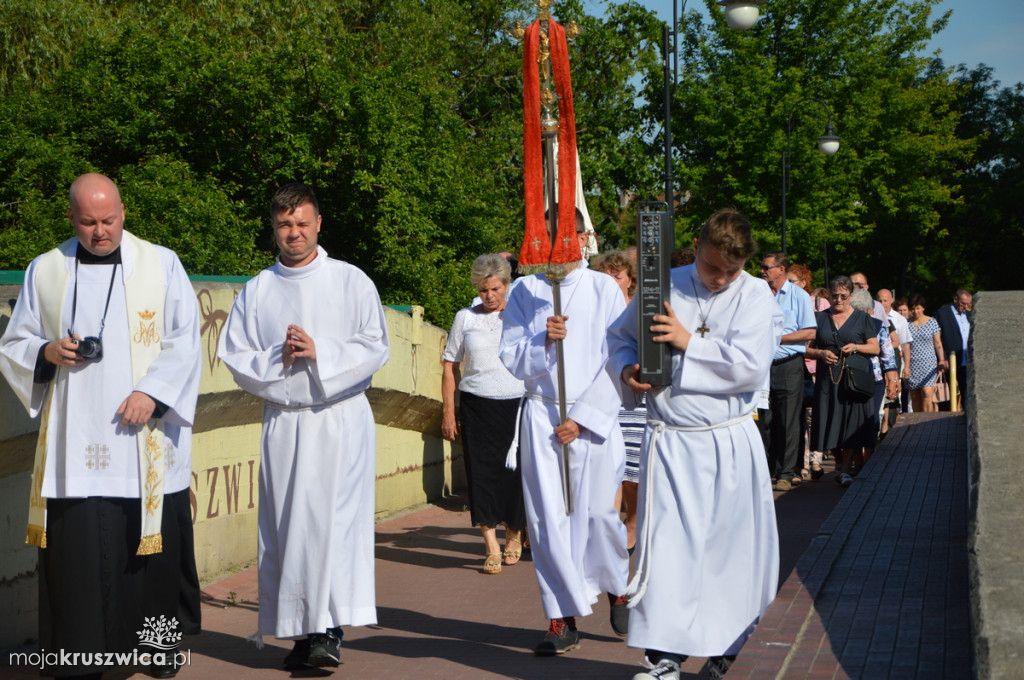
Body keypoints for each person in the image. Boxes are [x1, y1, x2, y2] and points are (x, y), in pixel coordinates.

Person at [0, 172, 202, 679]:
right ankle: (81, 653)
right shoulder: (45, 270)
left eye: (109, 219)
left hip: (145, 436)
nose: (100, 231)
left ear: (123, 212)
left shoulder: (160, 264)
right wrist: (46, 352)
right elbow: (14, 344)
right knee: (83, 560)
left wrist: (152, 392)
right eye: (88, 222)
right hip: (77, 442)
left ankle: (158, 650)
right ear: (71, 217)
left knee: (152, 556)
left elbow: (185, 338)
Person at [217, 183, 390, 670]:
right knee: (287, 525)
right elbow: (233, 354)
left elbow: (375, 344)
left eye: (302, 223)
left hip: (338, 419)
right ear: (273, 228)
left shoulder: (351, 280)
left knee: (333, 524)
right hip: (286, 422)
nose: (294, 233)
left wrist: (322, 354)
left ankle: (328, 630)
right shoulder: (258, 289)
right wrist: (280, 356)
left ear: (318, 224)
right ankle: (297, 629)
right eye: (284, 225)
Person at [608, 208, 783, 680]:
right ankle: (664, 654)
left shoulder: (755, 295)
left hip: (725, 441)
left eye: (733, 270)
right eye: (712, 267)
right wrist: (628, 369)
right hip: (669, 443)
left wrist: (688, 341)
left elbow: (750, 366)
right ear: (698, 246)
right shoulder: (662, 283)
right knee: (668, 551)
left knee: (729, 551)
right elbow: (620, 339)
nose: (722, 279)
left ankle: (729, 651)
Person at [499, 208, 630, 655]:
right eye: (550, 235)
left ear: (583, 237)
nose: (558, 244)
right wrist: (544, 341)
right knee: (548, 522)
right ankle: (561, 620)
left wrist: (585, 418)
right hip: (542, 417)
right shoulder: (525, 291)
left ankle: (617, 589)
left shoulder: (603, 288)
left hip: (592, 419)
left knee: (597, 514)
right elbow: (511, 357)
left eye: (567, 235)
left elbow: (619, 359)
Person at [441, 254, 527, 575]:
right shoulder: (465, 317)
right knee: (480, 473)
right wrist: (449, 411)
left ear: (507, 285)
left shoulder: (520, 315)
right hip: (476, 405)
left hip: (517, 403)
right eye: (483, 290)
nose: (489, 296)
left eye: (495, 288)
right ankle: (490, 542)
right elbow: (450, 365)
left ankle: (514, 532)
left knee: (515, 474)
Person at [806, 276, 880, 488]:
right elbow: (805, 349)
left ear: (851, 296)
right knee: (829, 422)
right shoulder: (819, 318)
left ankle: (846, 470)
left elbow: (875, 347)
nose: (838, 300)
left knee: (851, 423)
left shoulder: (862, 318)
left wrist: (855, 347)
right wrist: (820, 353)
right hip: (828, 380)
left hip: (853, 380)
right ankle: (839, 465)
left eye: (843, 296)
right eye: (834, 295)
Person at [592, 249, 643, 552]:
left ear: (629, 280)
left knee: (632, 473)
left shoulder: (636, 309)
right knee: (609, 467)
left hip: (634, 397)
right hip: (603, 397)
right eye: (605, 275)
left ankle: (633, 522)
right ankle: (611, 526)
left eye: (617, 275)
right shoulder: (593, 310)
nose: (611, 280)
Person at [757, 252, 815, 491]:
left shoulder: (798, 296)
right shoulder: (757, 294)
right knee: (763, 420)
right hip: (760, 367)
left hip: (789, 365)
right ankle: (765, 469)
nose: (762, 270)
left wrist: (777, 338)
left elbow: (810, 332)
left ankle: (786, 472)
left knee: (788, 420)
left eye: (766, 267)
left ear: (781, 269)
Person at [876, 288, 911, 433]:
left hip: (893, 361)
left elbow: (904, 343)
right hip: (876, 363)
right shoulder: (871, 315)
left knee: (894, 397)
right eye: (879, 300)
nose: (882, 303)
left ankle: (891, 429)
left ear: (891, 301)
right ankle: (881, 428)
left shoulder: (899, 319)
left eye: (885, 300)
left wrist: (906, 366)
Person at [905, 293, 944, 414]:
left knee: (927, 393)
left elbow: (938, 343)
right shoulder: (906, 324)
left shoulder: (932, 322)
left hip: (929, 363)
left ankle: (927, 420)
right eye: (913, 308)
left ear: (923, 308)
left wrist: (941, 360)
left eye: (918, 308)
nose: (915, 311)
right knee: (915, 395)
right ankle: (917, 419)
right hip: (912, 363)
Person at [934, 289, 973, 409]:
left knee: (967, 392)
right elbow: (937, 337)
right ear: (955, 300)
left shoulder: (969, 314)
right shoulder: (942, 313)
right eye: (963, 304)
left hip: (967, 360)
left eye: (968, 304)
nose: (966, 307)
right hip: (949, 359)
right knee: (948, 393)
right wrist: (942, 358)